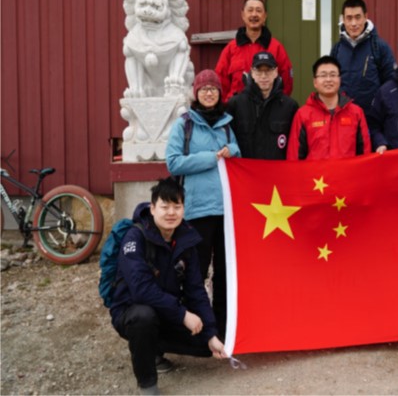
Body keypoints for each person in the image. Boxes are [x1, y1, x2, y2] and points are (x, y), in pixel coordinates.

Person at [109, 177, 228, 395]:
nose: (171, 213)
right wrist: (183, 315)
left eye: (177, 206)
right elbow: (141, 290)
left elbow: (196, 290)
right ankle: (147, 384)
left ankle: (154, 345)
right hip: (131, 311)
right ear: (153, 208)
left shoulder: (186, 240)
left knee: (208, 343)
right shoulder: (135, 237)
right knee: (144, 318)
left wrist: (211, 333)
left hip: (167, 312)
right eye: (165, 207)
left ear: (184, 209)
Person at [166, 69, 240, 340]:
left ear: (220, 93)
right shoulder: (184, 124)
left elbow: (238, 154)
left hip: (226, 210)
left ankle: (222, 326)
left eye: (213, 89)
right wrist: (211, 158)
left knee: (224, 271)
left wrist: (233, 151)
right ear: (196, 93)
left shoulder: (227, 124)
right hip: (198, 210)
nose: (209, 93)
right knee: (196, 271)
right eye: (204, 89)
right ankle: (196, 327)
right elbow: (173, 162)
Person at [286, 56, 371, 160]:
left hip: (348, 171)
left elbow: (365, 154)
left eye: (333, 75)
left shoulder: (356, 113)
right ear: (315, 82)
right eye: (323, 75)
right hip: (315, 171)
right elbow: (294, 156)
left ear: (339, 79)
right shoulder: (303, 115)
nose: (328, 79)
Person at [215, 0, 293, 102]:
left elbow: (287, 83)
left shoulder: (276, 48)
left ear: (265, 16)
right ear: (243, 15)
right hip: (237, 108)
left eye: (258, 11)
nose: (254, 14)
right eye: (250, 10)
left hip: (268, 108)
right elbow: (220, 82)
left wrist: (276, 105)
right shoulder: (230, 49)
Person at [226, 51, 298, 159]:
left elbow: (295, 147)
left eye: (268, 71)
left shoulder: (290, 107)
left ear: (276, 72)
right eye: (259, 71)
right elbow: (227, 142)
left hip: (277, 169)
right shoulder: (235, 105)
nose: (263, 76)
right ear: (252, 72)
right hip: (244, 169)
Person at [330, 0, 395, 115]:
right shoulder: (337, 49)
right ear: (343, 19)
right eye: (349, 18)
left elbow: (391, 83)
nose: (353, 23)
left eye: (358, 17)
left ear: (365, 17)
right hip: (343, 116)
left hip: (372, 118)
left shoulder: (379, 47)